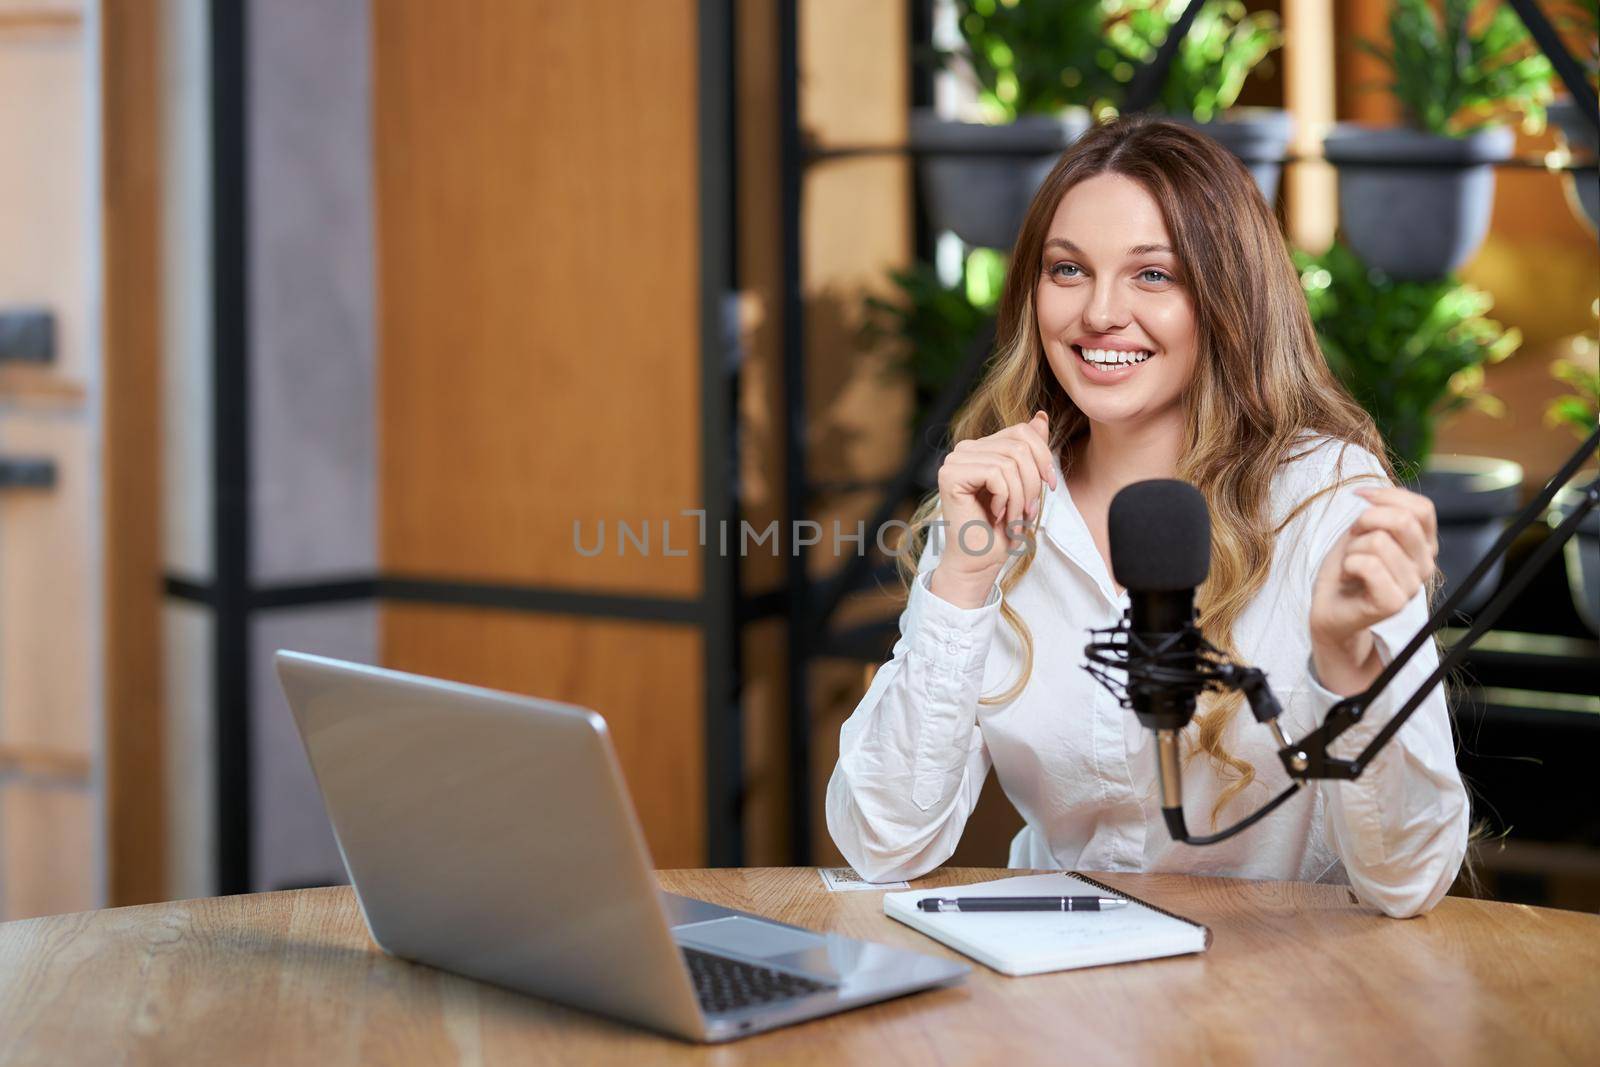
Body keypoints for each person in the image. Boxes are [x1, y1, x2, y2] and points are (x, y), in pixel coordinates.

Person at [826, 114, 1468, 918]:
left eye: (1152, 275)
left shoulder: (1327, 499)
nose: (1099, 312)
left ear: (1227, 295)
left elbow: (1410, 877)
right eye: (1067, 269)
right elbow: (883, 842)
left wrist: (1346, 658)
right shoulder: (1002, 500)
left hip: (1283, 995)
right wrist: (961, 577)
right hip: (1063, 989)